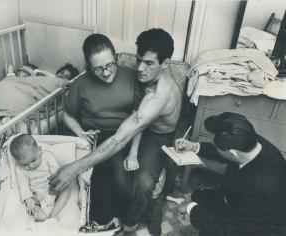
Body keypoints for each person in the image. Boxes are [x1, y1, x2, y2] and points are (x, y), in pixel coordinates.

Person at [50, 28, 183, 235]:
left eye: (148, 63)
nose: (139, 68)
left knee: (143, 183)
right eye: (138, 60)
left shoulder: (159, 94)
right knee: (108, 176)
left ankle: (130, 225)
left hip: (155, 136)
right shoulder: (142, 79)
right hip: (134, 128)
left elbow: (121, 137)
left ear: (164, 64)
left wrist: (74, 167)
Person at [62, 33, 143, 224]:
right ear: (88, 66)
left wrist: (133, 152)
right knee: (97, 186)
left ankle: (119, 220)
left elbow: (139, 117)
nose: (106, 73)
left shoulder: (131, 77)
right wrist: (80, 132)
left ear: (115, 57)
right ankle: (100, 223)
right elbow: (67, 114)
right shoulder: (81, 84)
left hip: (122, 136)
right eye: (98, 69)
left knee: (123, 185)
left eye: (109, 65)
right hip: (94, 137)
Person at [176, 112, 286, 236]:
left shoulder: (261, 187)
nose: (216, 147)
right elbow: (225, 152)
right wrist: (194, 146)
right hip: (234, 197)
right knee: (198, 195)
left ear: (233, 153)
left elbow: (233, 231)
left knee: (201, 215)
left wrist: (192, 209)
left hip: (254, 228)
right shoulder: (248, 140)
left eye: (217, 146)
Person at [10, 134, 74, 222]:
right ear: (18, 162)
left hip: (52, 189)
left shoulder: (47, 157)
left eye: (33, 160)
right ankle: (40, 213)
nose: (31, 165)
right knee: (33, 208)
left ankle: (54, 213)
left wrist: (56, 186)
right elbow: (23, 186)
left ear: (39, 151)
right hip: (36, 195)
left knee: (66, 190)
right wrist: (29, 199)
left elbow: (56, 173)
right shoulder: (19, 169)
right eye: (25, 164)